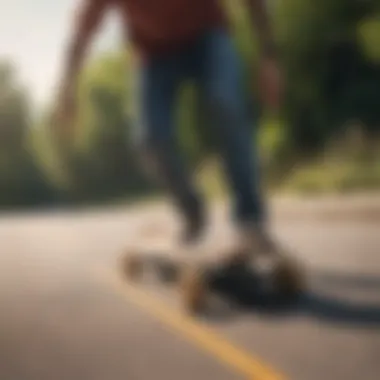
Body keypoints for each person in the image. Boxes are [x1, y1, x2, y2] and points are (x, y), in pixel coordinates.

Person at [54, 0, 283, 253]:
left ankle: (250, 222)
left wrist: (268, 57)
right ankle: (191, 211)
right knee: (150, 139)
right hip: (154, 55)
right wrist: (68, 88)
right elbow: (81, 33)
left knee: (225, 102)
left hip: (207, 36)